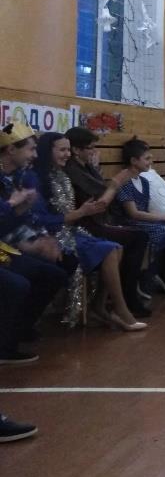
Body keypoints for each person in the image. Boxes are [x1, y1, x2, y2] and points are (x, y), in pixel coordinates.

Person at [32, 133, 146, 331]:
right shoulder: (40, 179)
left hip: (74, 227)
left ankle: (101, 305)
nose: (67, 154)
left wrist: (84, 210)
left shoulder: (63, 174)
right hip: (52, 234)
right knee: (113, 247)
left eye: (68, 150)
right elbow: (43, 220)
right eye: (62, 150)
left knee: (117, 247)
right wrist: (85, 210)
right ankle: (121, 309)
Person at [1, 124, 73, 356]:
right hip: (5, 247)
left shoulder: (16, 178)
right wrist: (12, 205)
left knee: (54, 274)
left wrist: (36, 237)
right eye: (31, 149)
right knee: (17, 284)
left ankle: (17, 330)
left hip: (6, 245)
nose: (34, 155)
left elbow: (12, 222)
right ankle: (5, 346)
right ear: (11, 150)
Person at [63, 127, 152, 317]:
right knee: (137, 237)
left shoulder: (86, 167)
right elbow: (102, 200)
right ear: (76, 150)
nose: (94, 152)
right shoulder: (73, 170)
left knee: (139, 236)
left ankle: (124, 294)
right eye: (90, 148)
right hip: (85, 226)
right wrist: (116, 183)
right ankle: (126, 297)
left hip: (99, 220)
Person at [116, 138, 165, 296]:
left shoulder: (144, 182)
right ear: (133, 161)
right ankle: (146, 276)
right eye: (147, 158)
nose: (150, 162)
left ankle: (162, 272)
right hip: (130, 223)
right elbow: (133, 214)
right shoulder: (124, 183)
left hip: (144, 222)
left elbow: (145, 210)